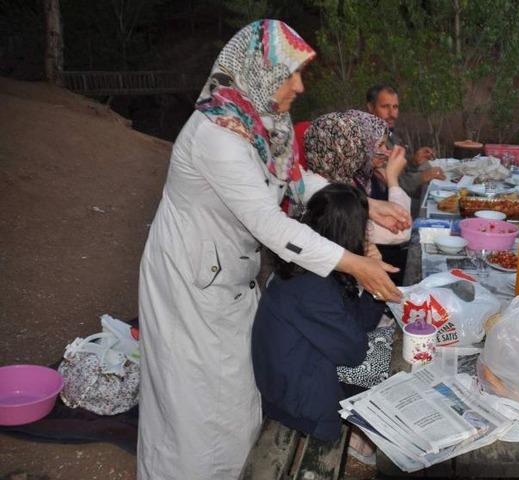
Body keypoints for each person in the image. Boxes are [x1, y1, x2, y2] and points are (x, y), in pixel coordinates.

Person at [136, 20, 405, 479]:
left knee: (236, 399)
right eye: (290, 76)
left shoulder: (259, 124)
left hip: (228, 280)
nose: (299, 86)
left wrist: (369, 203)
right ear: (256, 73)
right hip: (190, 285)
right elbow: (269, 222)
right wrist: (354, 263)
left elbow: (294, 181)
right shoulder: (219, 138)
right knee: (191, 413)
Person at [252, 183, 385, 442]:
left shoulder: (307, 266)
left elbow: (359, 322)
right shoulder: (311, 286)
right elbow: (354, 352)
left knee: (389, 360)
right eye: (363, 227)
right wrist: (374, 273)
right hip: (304, 409)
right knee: (393, 376)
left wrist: (372, 281)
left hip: (300, 385)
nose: (366, 235)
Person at [302, 109, 412, 246]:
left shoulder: (350, 179)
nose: (387, 152)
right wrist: (393, 179)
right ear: (347, 150)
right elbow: (401, 231)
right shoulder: (334, 202)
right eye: (378, 145)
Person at [366, 84, 445, 216]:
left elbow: (399, 171)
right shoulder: (370, 139)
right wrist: (423, 176)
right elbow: (396, 183)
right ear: (370, 108)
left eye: (395, 107)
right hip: (384, 210)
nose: (392, 114)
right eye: (385, 107)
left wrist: (414, 161)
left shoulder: (388, 133)